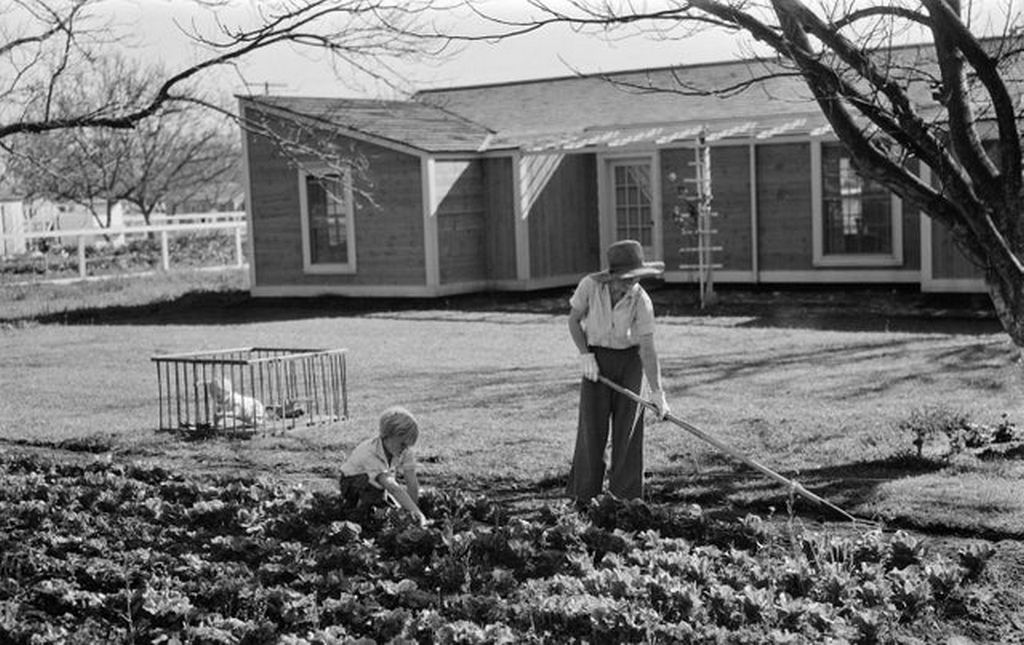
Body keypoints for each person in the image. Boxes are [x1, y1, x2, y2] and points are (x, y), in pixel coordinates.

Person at [566, 239, 671, 505]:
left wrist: (658, 392)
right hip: (597, 360)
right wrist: (585, 354)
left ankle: (624, 501)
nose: (630, 285)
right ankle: (583, 498)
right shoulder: (590, 286)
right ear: (611, 276)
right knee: (592, 428)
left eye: (634, 279)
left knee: (628, 431)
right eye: (625, 279)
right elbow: (574, 320)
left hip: (630, 362)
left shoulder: (641, 301)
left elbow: (647, 348)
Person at [338, 406, 429, 527]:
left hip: (378, 483)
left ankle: (379, 508)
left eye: (408, 445)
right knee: (376, 501)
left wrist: (414, 511)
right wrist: (418, 514)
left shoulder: (404, 451)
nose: (405, 448)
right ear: (387, 436)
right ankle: (355, 514)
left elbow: (411, 483)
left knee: (390, 503)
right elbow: (392, 487)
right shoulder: (370, 453)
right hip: (353, 482)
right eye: (402, 444)